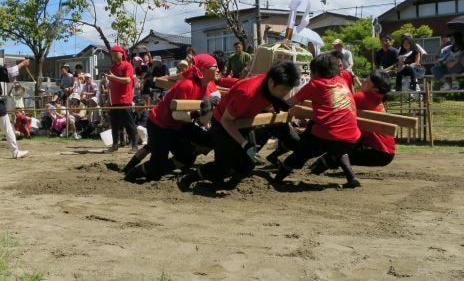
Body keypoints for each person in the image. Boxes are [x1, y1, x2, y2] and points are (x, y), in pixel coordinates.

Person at [178, 61, 300, 190]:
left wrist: (278, 102)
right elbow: (226, 121)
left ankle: (226, 186)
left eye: (288, 89)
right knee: (222, 167)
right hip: (223, 125)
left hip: (244, 123)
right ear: (271, 82)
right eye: (283, 89)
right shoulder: (247, 94)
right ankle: (189, 178)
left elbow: (269, 98)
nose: (285, 93)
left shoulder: (270, 84)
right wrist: (244, 143)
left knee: (248, 164)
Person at [124, 54, 220, 182]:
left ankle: (161, 169)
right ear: (204, 70)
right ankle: (133, 173)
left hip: (179, 125)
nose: (218, 69)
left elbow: (212, 103)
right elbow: (177, 114)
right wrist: (199, 113)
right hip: (160, 125)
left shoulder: (207, 85)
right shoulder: (186, 85)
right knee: (157, 164)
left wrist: (212, 102)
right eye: (215, 66)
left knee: (190, 154)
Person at [274, 52, 361, 188]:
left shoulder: (314, 85)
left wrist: (272, 105)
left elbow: (288, 103)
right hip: (352, 138)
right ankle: (351, 177)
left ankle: (277, 180)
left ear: (316, 72)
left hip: (327, 136)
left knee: (300, 153)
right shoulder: (342, 82)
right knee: (339, 148)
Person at [347, 70, 396, 167]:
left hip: (376, 151)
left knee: (337, 151)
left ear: (375, 89)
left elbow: (339, 104)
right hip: (387, 152)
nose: (364, 81)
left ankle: (314, 170)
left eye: (367, 81)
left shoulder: (362, 97)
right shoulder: (377, 99)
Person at [106, 45, 139, 153]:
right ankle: (115, 145)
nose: (114, 55)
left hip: (125, 99)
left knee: (129, 124)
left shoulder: (127, 65)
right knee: (114, 124)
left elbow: (128, 80)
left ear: (122, 54)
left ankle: (135, 145)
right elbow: (111, 84)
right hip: (114, 100)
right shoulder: (112, 68)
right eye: (112, 53)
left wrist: (113, 78)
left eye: (116, 53)